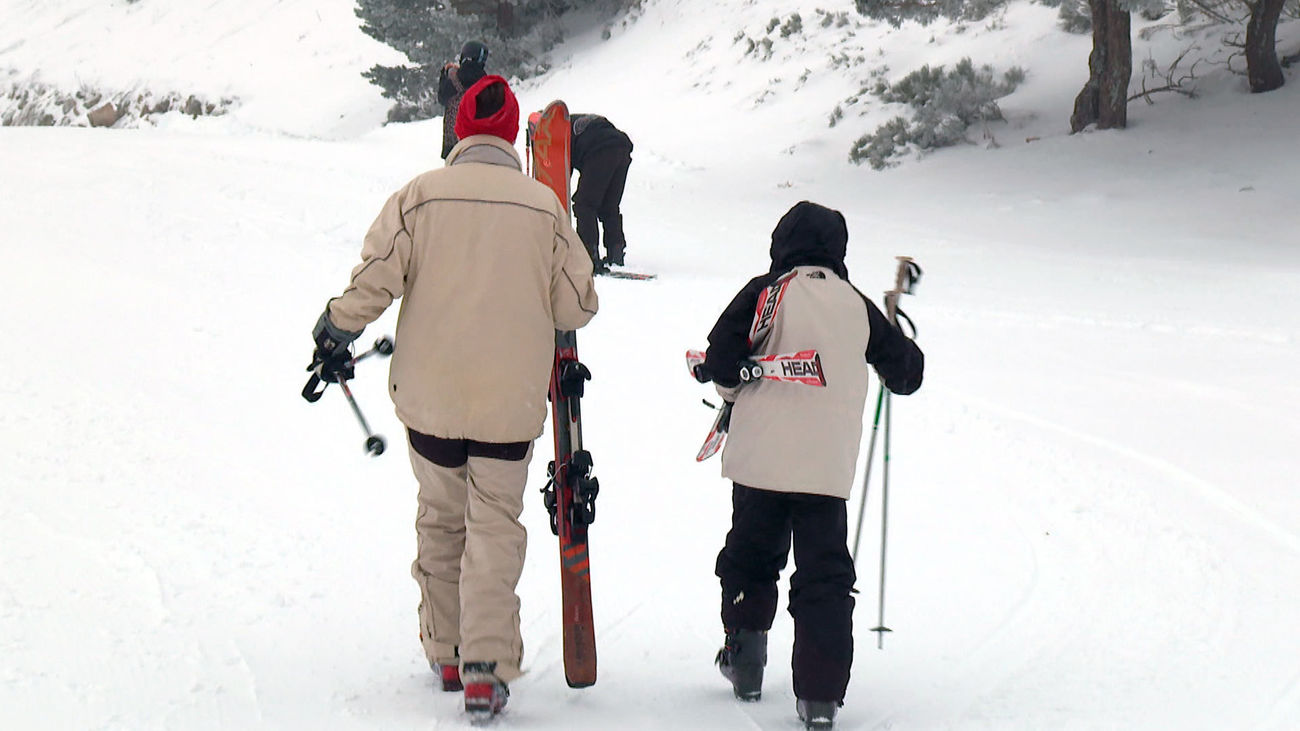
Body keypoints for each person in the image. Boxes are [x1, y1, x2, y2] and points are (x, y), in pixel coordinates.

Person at [307, 75, 598, 719]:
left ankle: (446, 651)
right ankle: (485, 671)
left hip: (430, 400)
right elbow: (576, 306)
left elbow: (374, 280)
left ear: (460, 129)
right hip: (507, 406)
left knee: (440, 517)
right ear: (512, 134)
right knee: (493, 527)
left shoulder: (419, 197)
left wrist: (335, 328)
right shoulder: (544, 209)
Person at [696, 201, 924, 730]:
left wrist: (734, 382)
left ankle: (745, 659)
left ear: (782, 244)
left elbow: (720, 361)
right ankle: (820, 697)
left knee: (751, 558)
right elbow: (907, 375)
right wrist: (893, 339)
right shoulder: (855, 303)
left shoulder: (765, 292)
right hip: (825, 469)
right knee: (824, 577)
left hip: (759, 459)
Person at [569, 113, 633, 272]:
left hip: (601, 149)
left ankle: (588, 256)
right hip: (621, 146)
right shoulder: (572, 121)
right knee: (609, 206)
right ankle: (616, 252)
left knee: (584, 204)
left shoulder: (556, 134)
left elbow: (561, 176)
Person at [438, 40, 489, 160]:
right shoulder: (486, 82)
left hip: (453, 145)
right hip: (478, 144)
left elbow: (442, 98)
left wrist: (444, 73)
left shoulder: (453, 78)